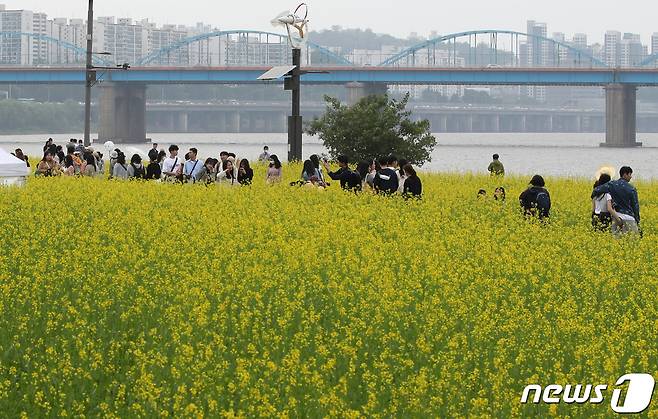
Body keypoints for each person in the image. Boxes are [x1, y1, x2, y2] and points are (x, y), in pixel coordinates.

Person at [591, 166, 640, 237]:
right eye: (630, 174)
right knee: (632, 241)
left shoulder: (612, 185)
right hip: (629, 218)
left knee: (616, 242)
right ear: (624, 174)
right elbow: (635, 206)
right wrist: (637, 221)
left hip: (616, 218)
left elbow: (596, 190)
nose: (631, 177)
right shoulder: (632, 189)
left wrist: (593, 196)